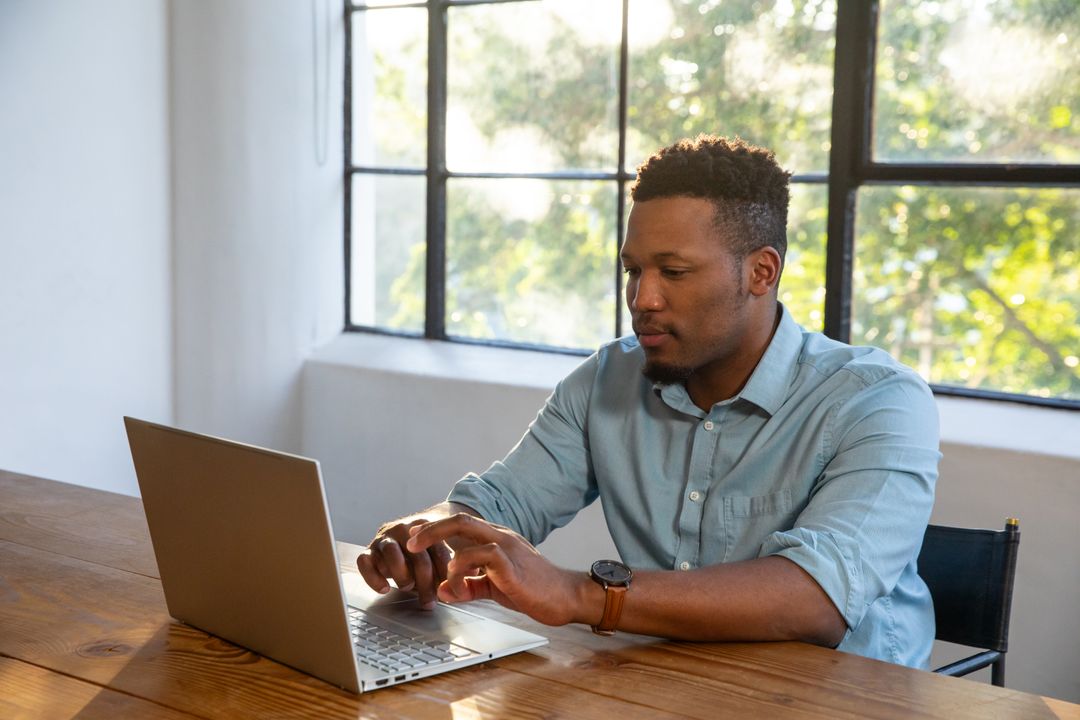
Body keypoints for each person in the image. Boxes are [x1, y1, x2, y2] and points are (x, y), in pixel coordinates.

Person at [356, 135, 941, 668]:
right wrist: (421, 540)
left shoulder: (879, 402)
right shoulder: (609, 377)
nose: (643, 299)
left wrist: (580, 594)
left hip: (849, 697)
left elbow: (814, 599)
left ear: (762, 272)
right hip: (668, 680)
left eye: (675, 271)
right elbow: (497, 505)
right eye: (633, 270)